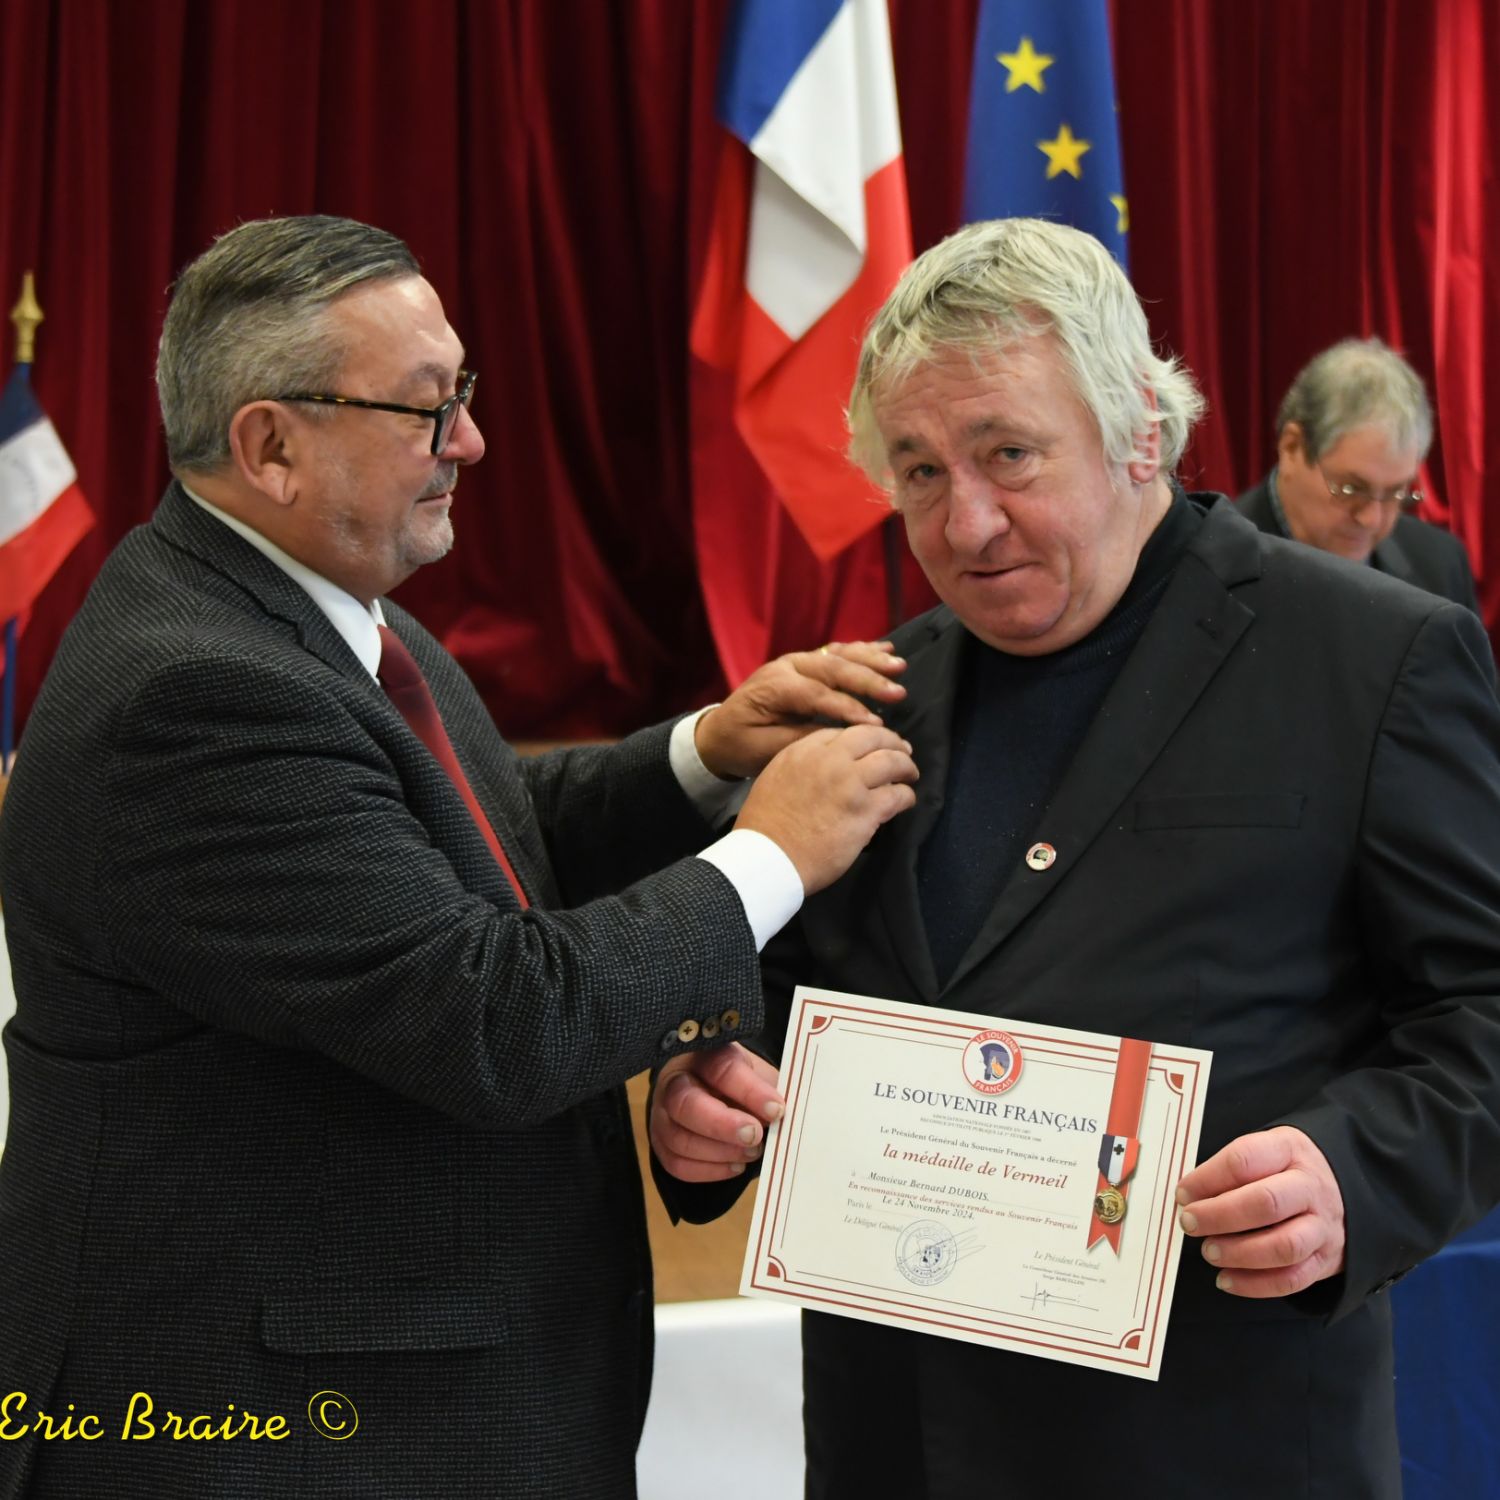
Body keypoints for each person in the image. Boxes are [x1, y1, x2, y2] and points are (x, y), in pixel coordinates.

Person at [0, 215, 920, 1500]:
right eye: (427, 407)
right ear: (270, 446)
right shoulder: (196, 695)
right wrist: (772, 854)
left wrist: (704, 755)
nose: (471, 442)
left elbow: (467, 838)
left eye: (463, 391)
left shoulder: (307, 609)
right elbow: (497, 1020)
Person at [651, 218, 1500, 1497]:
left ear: (1139, 432)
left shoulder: (1376, 658)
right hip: (900, 1440)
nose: (967, 522)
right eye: (920, 470)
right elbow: (781, 995)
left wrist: (1354, 1174)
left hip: (1210, 1442)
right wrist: (716, 1090)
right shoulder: (871, 696)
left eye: (1010, 454)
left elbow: (1481, 1007)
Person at [1236, 336, 1479, 609]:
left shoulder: (1441, 565)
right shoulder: (1217, 564)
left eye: (1395, 492)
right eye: (1351, 489)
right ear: (1292, 447)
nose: (1371, 519)